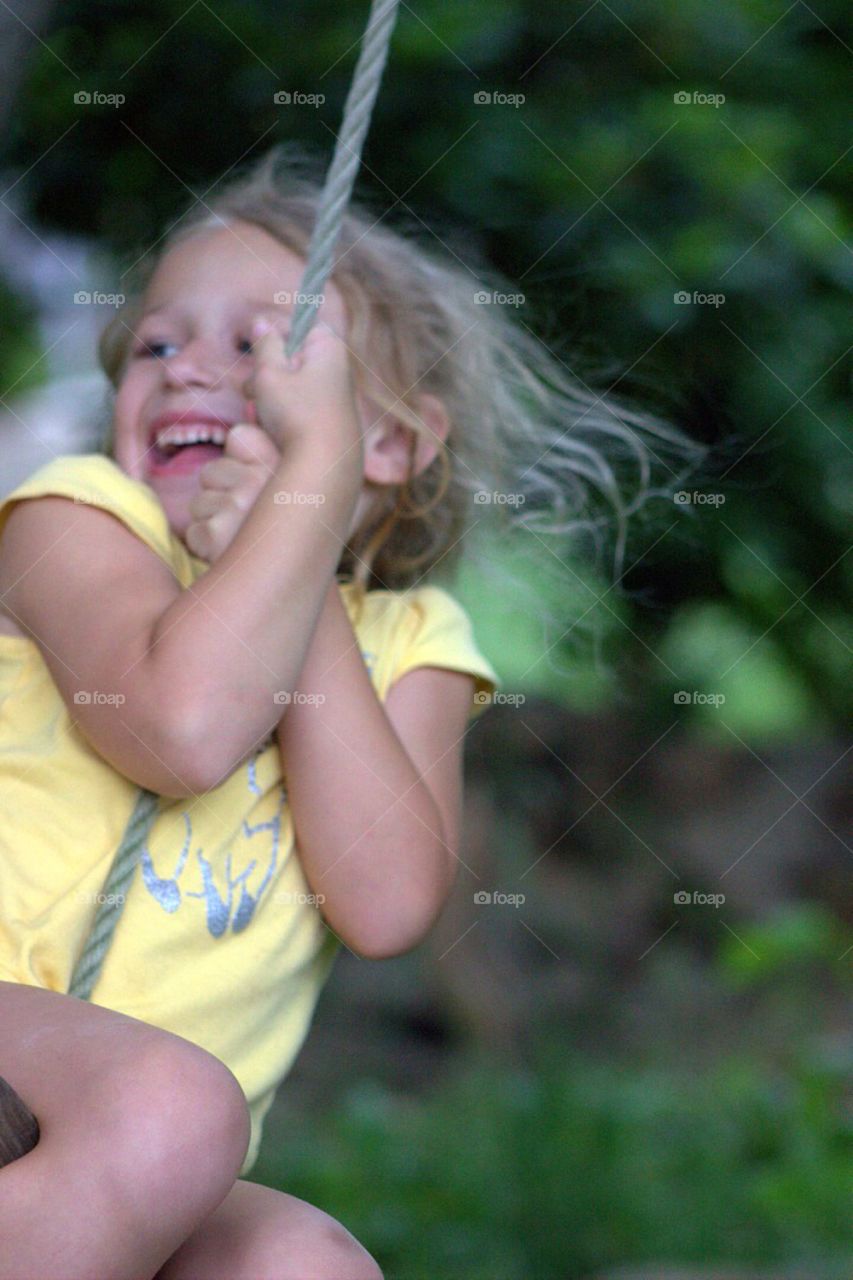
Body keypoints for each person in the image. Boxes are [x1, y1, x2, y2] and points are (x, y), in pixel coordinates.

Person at [0, 146, 703, 1280]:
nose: (183, 370)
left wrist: (305, 550)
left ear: (394, 443)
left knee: (305, 1259)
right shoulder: (78, 519)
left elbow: (383, 903)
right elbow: (180, 729)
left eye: (258, 347)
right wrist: (309, 466)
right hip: (51, 1055)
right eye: (156, 343)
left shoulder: (412, 644)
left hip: (148, 1156)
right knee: (175, 1102)